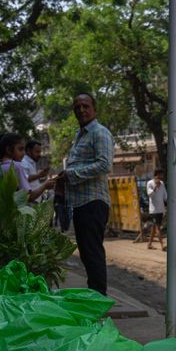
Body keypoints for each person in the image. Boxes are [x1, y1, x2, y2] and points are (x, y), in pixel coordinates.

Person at [53, 93, 114, 294]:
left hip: (93, 202)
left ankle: (98, 299)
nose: (81, 110)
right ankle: (94, 295)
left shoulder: (99, 132)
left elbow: (105, 164)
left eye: (85, 106)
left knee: (92, 252)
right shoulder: (80, 136)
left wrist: (71, 174)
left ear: (94, 109)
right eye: (77, 107)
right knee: (87, 253)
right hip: (80, 203)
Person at [0, 133, 53, 202]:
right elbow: (29, 197)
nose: (23, 153)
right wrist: (45, 185)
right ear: (8, 150)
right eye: (20, 149)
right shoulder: (16, 166)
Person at [145, 168, 167, 250]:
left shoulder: (162, 183)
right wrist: (155, 187)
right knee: (158, 227)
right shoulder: (150, 183)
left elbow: (165, 195)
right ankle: (162, 245)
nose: (162, 176)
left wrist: (167, 202)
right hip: (154, 209)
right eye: (161, 174)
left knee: (155, 227)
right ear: (157, 174)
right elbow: (150, 194)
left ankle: (149, 244)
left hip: (161, 209)